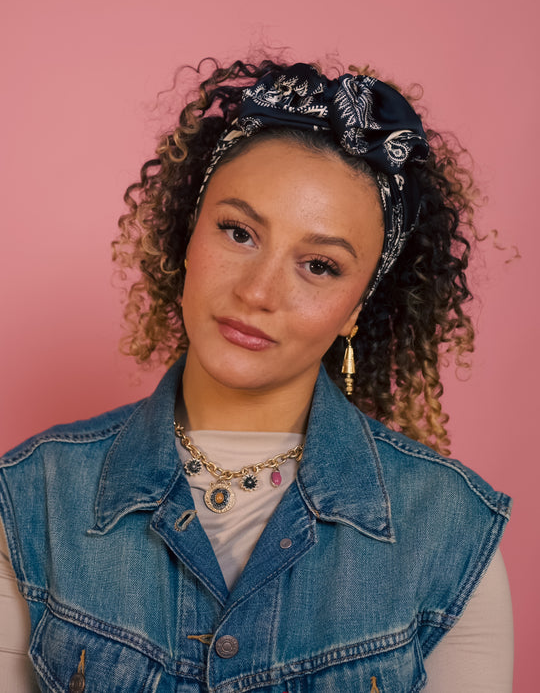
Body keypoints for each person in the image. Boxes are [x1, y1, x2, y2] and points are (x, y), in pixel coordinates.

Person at [0, 59, 513, 692]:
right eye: (239, 232)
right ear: (189, 236)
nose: (258, 292)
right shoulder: (32, 496)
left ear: (356, 309)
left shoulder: (451, 532)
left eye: (319, 266)